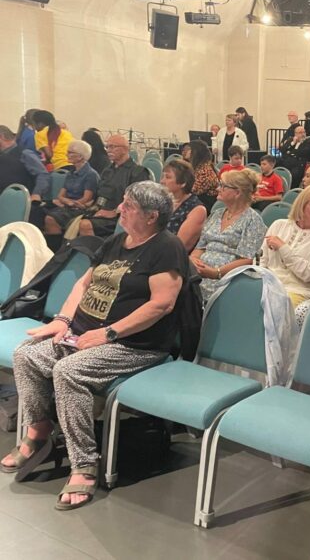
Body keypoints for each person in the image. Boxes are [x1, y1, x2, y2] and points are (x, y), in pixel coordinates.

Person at [1, 181, 189, 510]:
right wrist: (62, 320)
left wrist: (109, 334)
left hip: (134, 345)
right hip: (84, 333)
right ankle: (39, 430)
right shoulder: (117, 241)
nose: (120, 209)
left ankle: (84, 463)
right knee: (27, 355)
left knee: (68, 371)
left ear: (151, 216)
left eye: (128, 206)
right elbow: (83, 283)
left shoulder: (166, 248)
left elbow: (162, 304)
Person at [190, 169, 267, 300]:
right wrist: (193, 261)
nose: (218, 188)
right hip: (200, 275)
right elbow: (200, 247)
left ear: (237, 192)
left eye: (223, 186)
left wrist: (216, 273)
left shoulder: (253, 220)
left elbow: (246, 260)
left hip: (228, 280)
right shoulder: (216, 214)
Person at [260, 185, 310, 307]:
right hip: (269, 284)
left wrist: (283, 247)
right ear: (302, 204)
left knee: (275, 306)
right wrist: (261, 281)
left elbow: (308, 274)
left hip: (299, 291)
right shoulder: (278, 225)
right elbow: (261, 260)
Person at [78, 135, 150, 237]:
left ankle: (96, 252)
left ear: (125, 149)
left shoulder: (138, 172)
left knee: (85, 225)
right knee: (67, 220)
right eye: (107, 147)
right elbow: (100, 193)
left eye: (112, 147)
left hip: (120, 216)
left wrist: (114, 212)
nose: (108, 150)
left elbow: (139, 201)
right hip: (99, 211)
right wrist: (90, 204)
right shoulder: (108, 170)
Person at [43, 140, 100, 248]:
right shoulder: (71, 172)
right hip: (69, 205)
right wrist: (67, 202)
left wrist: (68, 202)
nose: (66, 154)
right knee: (37, 211)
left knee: (50, 218)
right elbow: (60, 195)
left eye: (70, 152)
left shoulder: (90, 174)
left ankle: (55, 250)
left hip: (80, 209)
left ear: (80, 157)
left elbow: (86, 199)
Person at [161, 158, 207, 251]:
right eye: (163, 177)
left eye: (168, 177)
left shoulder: (197, 209)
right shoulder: (162, 201)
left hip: (172, 258)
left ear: (183, 183)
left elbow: (178, 246)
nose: (162, 181)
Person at [0, 124, 50, 199]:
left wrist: (37, 193)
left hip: (19, 201)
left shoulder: (25, 153)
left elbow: (42, 174)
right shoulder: (3, 155)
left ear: (1, 137)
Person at [187, 140, 221, 211]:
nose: (186, 152)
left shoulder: (205, 171)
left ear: (195, 152)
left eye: (189, 149)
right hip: (200, 201)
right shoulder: (200, 166)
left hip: (206, 205)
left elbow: (194, 190)